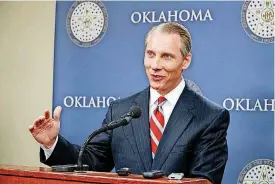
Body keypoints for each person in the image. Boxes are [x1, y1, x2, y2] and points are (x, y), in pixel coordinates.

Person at [29, 22, 230, 184]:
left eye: (166, 56)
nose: (155, 66)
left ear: (185, 61)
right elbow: (90, 164)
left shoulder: (210, 116)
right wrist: (52, 143)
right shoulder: (121, 111)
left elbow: (204, 180)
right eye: (150, 54)